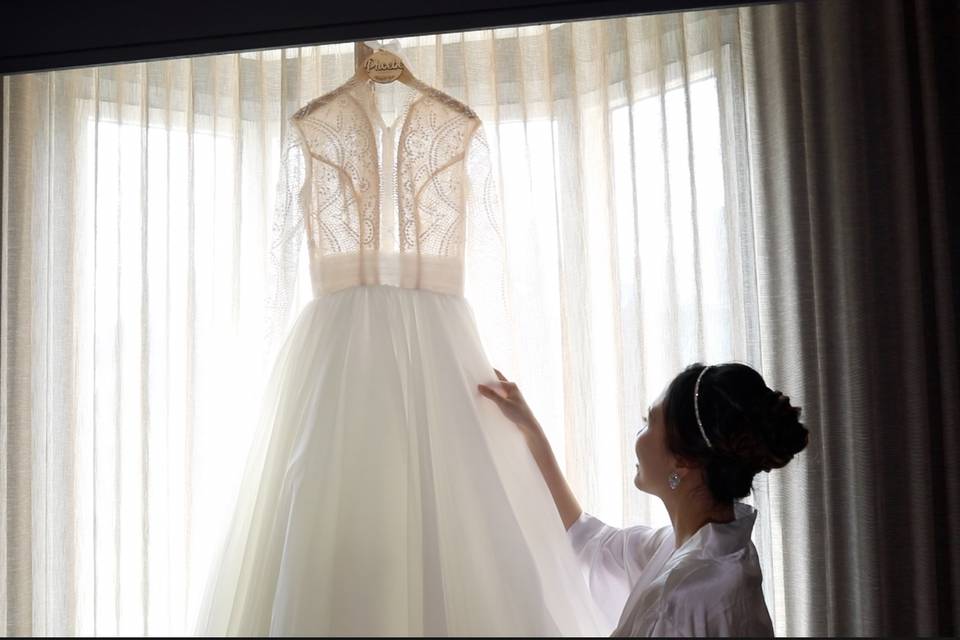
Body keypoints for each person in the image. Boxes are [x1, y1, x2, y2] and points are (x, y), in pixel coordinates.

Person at [478, 362, 809, 636]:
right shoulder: (705, 546)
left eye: (648, 422)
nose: (638, 437)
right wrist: (531, 431)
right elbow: (592, 541)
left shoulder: (684, 596)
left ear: (682, 461)